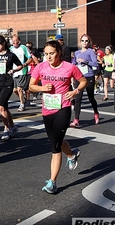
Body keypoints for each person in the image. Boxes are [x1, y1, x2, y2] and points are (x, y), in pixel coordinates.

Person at [29, 40, 87, 194]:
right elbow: (31, 85)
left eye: (52, 53)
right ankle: (72, 154)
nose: (48, 56)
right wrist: (42, 88)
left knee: (55, 146)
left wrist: (74, 91)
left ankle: (52, 182)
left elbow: (83, 81)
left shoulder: (69, 67)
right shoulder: (41, 67)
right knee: (56, 141)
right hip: (47, 109)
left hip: (63, 107)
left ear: (59, 52)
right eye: (46, 54)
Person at [70, 34, 99, 127]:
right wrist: (74, 62)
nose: (84, 43)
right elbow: (73, 63)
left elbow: (95, 64)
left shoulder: (90, 51)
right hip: (79, 77)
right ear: (80, 41)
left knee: (91, 97)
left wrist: (85, 61)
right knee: (78, 98)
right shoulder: (77, 52)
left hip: (89, 76)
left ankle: (96, 113)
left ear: (89, 42)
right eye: (83, 40)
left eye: (86, 41)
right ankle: (76, 119)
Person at [9, 35, 29, 112]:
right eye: (12, 41)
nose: (14, 42)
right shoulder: (10, 49)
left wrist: (24, 64)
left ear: (19, 41)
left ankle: (22, 105)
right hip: (13, 71)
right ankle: (23, 99)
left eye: (15, 41)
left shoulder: (23, 48)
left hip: (22, 71)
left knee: (19, 89)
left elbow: (30, 58)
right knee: (14, 90)